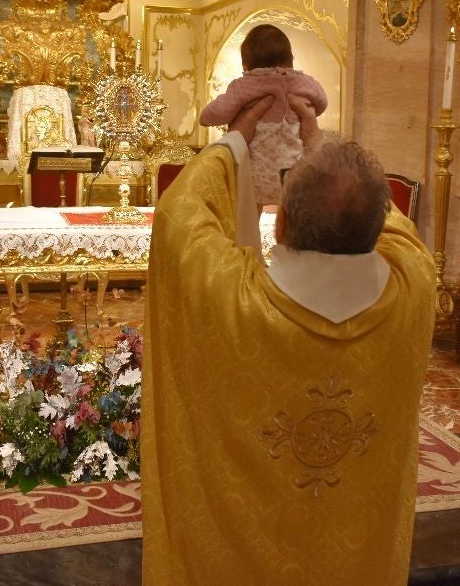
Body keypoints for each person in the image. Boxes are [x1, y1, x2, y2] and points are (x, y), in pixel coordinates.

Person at [142, 94, 436, 585]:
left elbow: (180, 215)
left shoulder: (231, 295)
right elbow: (385, 222)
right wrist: (318, 144)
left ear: (279, 223)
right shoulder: (415, 284)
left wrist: (234, 138)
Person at [199, 24, 327, 208]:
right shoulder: (305, 84)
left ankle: (250, 237)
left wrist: (204, 116)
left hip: (256, 173)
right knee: (291, 213)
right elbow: (321, 102)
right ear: (290, 59)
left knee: (248, 216)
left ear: (246, 65)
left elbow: (215, 114)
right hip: (292, 173)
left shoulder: (246, 85)